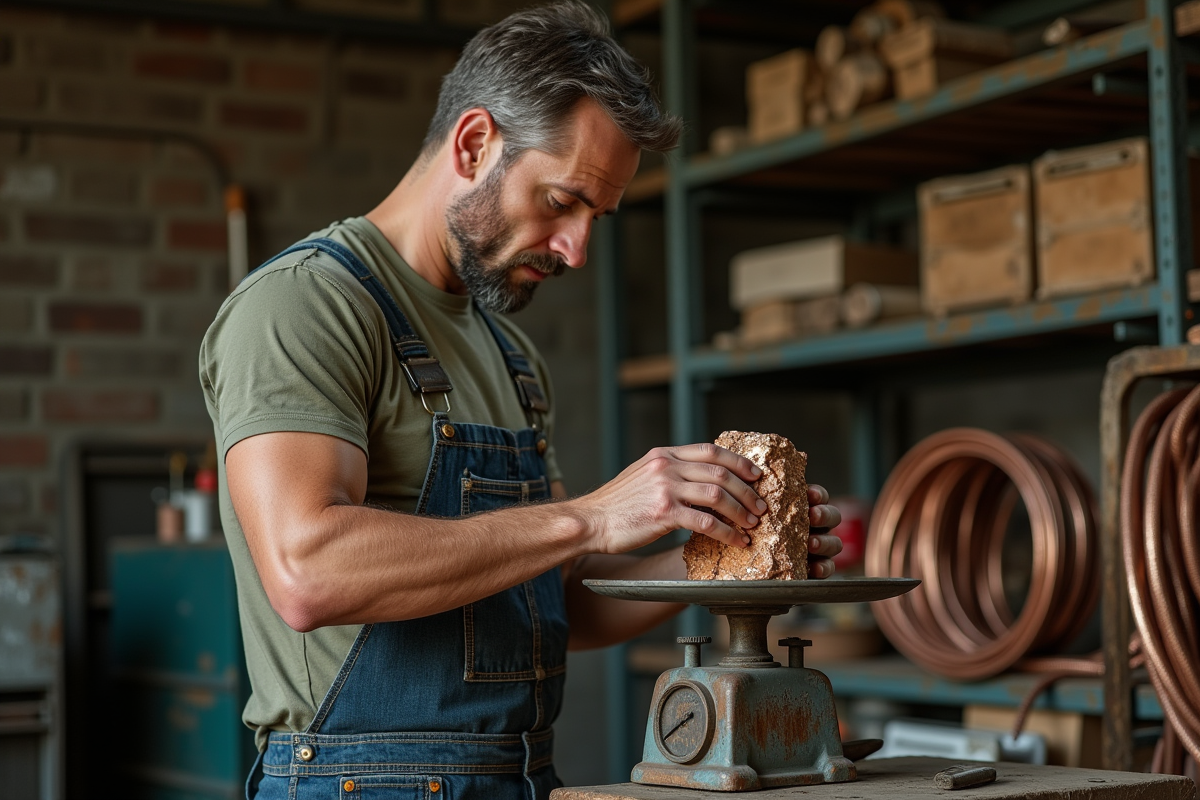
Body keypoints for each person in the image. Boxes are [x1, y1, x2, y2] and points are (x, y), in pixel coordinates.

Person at [200, 4, 843, 798]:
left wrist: (725, 557)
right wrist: (594, 516)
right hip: (355, 783)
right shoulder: (302, 307)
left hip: (523, 777)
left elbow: (553, 599)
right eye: (562, 201)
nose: (577, 248)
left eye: (596, 217)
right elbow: (308, 571)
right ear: (475, 144)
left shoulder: (512, 355)